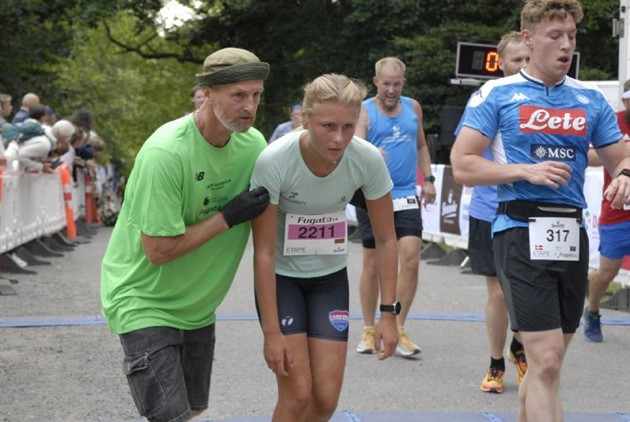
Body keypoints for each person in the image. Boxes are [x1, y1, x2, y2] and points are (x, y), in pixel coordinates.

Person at [450, 1, 630, 420]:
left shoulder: (589, 98)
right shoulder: (496, 94)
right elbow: (463, 165)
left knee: (548, 365)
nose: (566, 45)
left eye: (571, 36)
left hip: (570, 234)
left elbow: (620, 155)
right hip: (518, 227)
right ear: (529, 40)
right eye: (555, 36)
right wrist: (523, 170)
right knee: (545, 361)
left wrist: (625, 175)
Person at [100, 47, 271, 422]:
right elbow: (158, 250)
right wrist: (228, 216)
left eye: (256, 95)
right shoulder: (166, 153)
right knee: (170, 416)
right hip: (143, 300)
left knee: (192, 410)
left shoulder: (254, 145)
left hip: (198, 307)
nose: (249, 106)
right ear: (207, 93)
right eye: (238, 95)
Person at [251, 73, 399, 422]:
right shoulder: (275, 160)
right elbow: (263, 253)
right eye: (328, 126)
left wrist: (388, 314)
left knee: (326, 400)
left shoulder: (366, 158)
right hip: (282, 280)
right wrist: (271, 333)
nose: (339, 138)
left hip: (329, 280)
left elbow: (386, 238)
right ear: (305, 119)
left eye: (348, 127)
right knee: (297, 395)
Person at [354, 56, 436, 358]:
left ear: (404, 83)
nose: (391, 90)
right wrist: (370, 151)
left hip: (405, 193)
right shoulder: (364, 110)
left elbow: (421, 145)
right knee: (373, 264)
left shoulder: (413, 107)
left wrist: (429, 178)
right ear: (376, 82)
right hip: (373, 194)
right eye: (386, 84)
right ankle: (368, 328)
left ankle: (398, 327)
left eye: (397, 84)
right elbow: (356, 145)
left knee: (411, 260)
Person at [464, 31, 529, 393]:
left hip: (528, 212)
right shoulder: (485, 98)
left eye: (528, 59)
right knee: (499, 294)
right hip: (489, 210)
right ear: (501, 64)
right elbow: (466, 155)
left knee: (524, 291)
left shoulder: (544, 102)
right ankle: (496, 362)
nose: (523, 66)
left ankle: (519, 345)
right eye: (516, 60)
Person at [583, 78, 630, 342]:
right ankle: (592, 311)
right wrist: (622, 151)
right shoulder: (613, 121)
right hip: (617, 210)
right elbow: (589, 156)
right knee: (607, 273)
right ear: (625, 101)